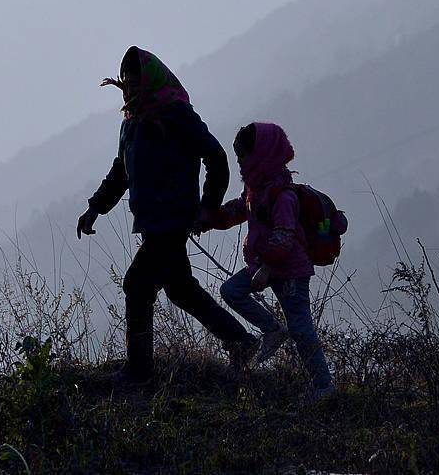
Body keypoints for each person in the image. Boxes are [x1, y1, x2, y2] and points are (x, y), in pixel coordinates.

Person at [76, 46, 257, 383]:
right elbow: (121, 172)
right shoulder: (131, 123)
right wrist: (95, 208)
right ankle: (242, 342)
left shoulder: (176, 114)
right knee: (180, 289)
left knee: (137, 284)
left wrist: (208, 206)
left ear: (151, 80)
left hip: (172, 219)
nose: (130, 89)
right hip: (151, 221)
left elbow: (215, 158)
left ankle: (139, 372)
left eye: (136, 82)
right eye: (126, 83)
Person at [202, 121, 334, 400]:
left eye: (243, 157)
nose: (239, 164)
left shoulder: (283, 195)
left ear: (261, 155)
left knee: (301, 327)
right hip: (266, 265)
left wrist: (267, 267)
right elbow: (238, 211)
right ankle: (273, 329)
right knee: (231, 291)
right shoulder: (256, 189)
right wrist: (209, 219)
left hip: (289, 270)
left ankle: (324, 387)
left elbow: (284, 237)